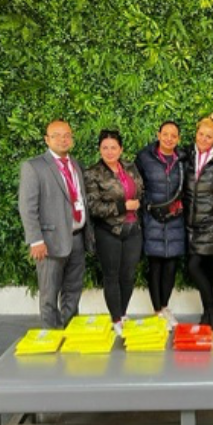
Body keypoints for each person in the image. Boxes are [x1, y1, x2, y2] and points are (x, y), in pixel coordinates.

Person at [18, 119, 92, 328]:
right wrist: (35, 240)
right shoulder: (34, 167)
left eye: (67, 135)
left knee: (73, 291)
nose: (62, 139)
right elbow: (27, 207)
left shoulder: (76, 164)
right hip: (49, 242)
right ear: (46, 139)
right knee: (49, 295)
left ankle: (69, 331)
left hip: (77, 238)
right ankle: (51, 335)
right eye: (56, 135)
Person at [84, 130, 144, 336]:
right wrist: (123, 206)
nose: (109, 152)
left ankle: (123, 313)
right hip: (109, 231)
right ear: (100, 149)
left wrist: (137, 202)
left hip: (133, 229)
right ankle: (116, 318)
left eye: (113, 147)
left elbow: (140, 189)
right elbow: (93, 207)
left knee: (128, 275)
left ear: (121, 149)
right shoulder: (92, 173)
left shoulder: (129, 166)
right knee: (111, 276)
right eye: (105, 148)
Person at [135, 121, 186, 329]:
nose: (169, 139)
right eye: (165, 134)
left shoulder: (183, 159)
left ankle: (165, 307)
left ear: (178, 139)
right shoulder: (144, 157)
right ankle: (157, 311)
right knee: (155, 266)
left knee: (171, 266)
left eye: (173, 135)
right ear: (158, 134)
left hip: (176, 220)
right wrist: (147, 207)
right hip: (153, 219)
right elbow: (137, 184)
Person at [183, 114, 213, 330]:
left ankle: (212, 308)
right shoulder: (189, 155)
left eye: (209, 136)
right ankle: (210, 311)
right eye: (201, 134)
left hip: (209, 222)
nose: (203, 139)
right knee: (204, 270)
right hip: (190, 221)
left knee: (195, 266)